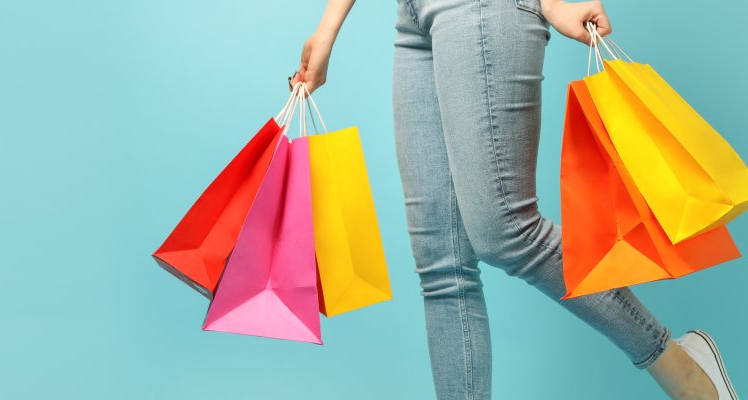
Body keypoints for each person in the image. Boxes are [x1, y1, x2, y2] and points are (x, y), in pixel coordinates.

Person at [288, 0, 739, 399]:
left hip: (482, 10)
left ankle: (683, 370)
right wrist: (328, 28)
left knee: (505, 230)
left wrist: (551, 2)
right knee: (441, 263)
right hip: (414, 19)